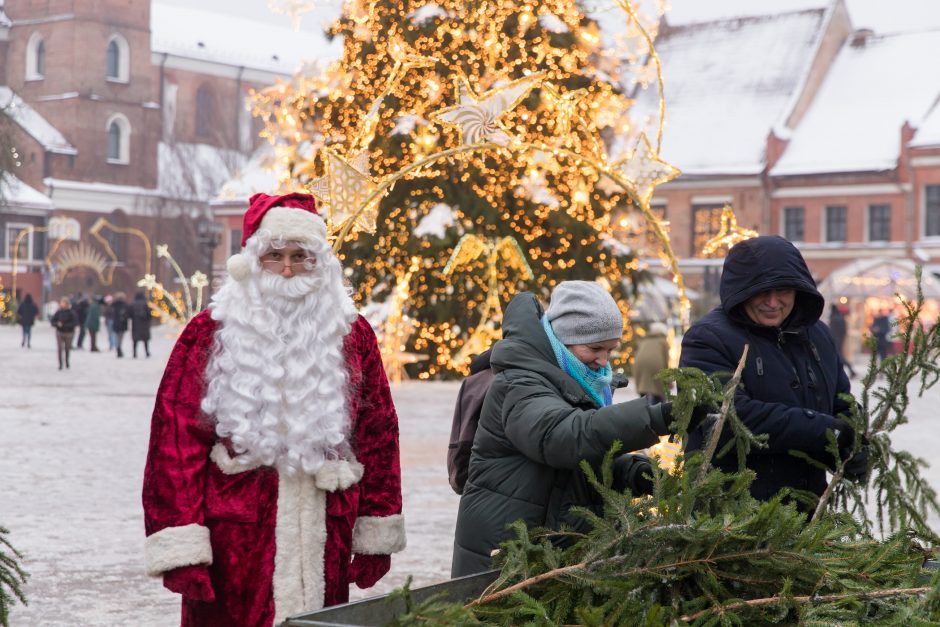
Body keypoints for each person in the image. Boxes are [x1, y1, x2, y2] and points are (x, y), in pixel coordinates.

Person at [142, 193, 405, 626]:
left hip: (325, 537)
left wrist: (376, 528)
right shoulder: (209, 333)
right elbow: (173, 442)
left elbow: (378, 434)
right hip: (235, 544)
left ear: (320, 263)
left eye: (301, 256)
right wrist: (182, 545)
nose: (287, 269)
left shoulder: (352, 334)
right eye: (274, 256)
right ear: (251, 260)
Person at [452, 281, 706, 577]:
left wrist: (634, 472)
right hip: (506, 554)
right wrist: (657, 418)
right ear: (562, 340)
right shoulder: (521, 384)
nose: (603, 361)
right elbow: (563, 436)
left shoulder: (574, 379)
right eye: (595, 348)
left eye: (610, 349)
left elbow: (583, 461)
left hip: (546, 547)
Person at [679, 236, 867, 508]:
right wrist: (825, 431)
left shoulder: (817, 336)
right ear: (741, 290)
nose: (772, 302)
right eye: (760, 292)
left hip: (806, 514)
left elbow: (840, 401)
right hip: (732, 516)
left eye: (783, 291)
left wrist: (852, 444)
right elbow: (729, 418)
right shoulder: (707, 339)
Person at [633, 321, 670, 404]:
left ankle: (643, 405)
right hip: (656, 364)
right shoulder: (663, 341)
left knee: (644, 386)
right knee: (658, 388)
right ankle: (658, 407)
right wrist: (668, 379)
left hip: (640, 363)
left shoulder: (645, 340)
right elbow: (665, 361)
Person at [51, 296, 80, 370]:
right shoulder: (58, 312)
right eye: (61, 303)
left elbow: (75, 323)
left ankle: (67, 361)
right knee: (60, 348)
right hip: (60, 332)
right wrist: (57, 324)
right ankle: (60, 364)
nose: (62, 304)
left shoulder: (72, 313)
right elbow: (53, 321)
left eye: (63, 303)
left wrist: (65, 325)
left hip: (69, 333)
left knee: (67, 348)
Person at [828, 304, 855, 378]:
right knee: (838, 356)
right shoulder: (840, 317)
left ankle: (849, 370)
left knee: (838, 356)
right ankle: (849, 370)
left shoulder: (833, 318)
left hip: (835, 340)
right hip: (839, 339)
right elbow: (844, 331)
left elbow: (832, 330)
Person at [130, 291, 152, 358]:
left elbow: (130, 314)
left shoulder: (133, 304)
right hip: (144, 325)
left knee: (135, 340)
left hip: (135, 324)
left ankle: (134, 353)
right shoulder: (145, 304)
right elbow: (149, 314)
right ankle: (147, 352)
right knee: (145, 340)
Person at [109, 292, 129, 358]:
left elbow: (110, 313)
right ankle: (119, 348)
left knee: (116, 337)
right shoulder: (124, 305)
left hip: (115, 323)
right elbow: (127, 314)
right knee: (120, 337)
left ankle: (118, 347)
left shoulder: (113, 305)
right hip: (122, 324)